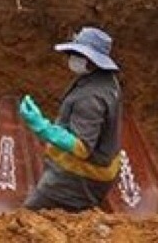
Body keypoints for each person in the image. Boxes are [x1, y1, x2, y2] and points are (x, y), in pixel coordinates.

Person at [21, 27, 122, 213]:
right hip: (100, 169)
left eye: (77, 54)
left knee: (29, 217)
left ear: (92, 60)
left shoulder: (90, 99)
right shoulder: (106, 81)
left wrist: (42, 127)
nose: (72, 58)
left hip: (80, 177)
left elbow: (82, 147)